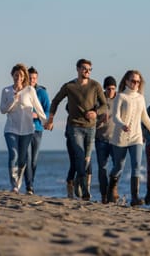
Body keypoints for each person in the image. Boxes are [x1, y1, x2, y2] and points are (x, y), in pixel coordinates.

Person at [45, 59, 107, 201]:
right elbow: (55, 101)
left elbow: (104, 105)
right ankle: (85, 192)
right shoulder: (69, 86)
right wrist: (51, 119)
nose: (87, 71)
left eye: (90, 69)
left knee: (85, 160)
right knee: (79, 156)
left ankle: (79, 182)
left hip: (90, 127)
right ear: (78, 69)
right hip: (74, 127)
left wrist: (95, 113)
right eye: (85, 68)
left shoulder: (95, 85)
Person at [108, 70, 150, 206]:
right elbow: (115, 117)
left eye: (138, 81)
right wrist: (122, 125)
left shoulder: (140, 98)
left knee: (136, 166)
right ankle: (110, 189)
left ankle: (135, 198)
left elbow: (145, 117)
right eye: (133, 81)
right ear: (126, 81)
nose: (136, 83)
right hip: (120, 137)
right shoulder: (121, 96)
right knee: (118, 167)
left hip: (136, 137)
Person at [0, 63, 47, 193]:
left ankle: (19, 181)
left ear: (24, 77)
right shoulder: (6, 91)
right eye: (16, 75)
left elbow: (38, 107)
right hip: (11, 129)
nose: (18, 78)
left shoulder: (30, 90)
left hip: (27, 130)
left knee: (22, 159)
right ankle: (14, 184)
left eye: (20, 75)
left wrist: (45, 121)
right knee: (13, 155)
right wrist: (13, 100)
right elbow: (3, 110)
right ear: (12, 75)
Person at [23, 66, 50, 195]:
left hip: (38, 129)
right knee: (27, 158)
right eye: (30, 78)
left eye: (34, 78)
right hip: (25, 129)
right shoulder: (23, 91)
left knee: (34, 160)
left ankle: (31, 182)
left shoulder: (42, 92)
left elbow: (48, 110)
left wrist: (38, 115)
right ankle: (29, 186)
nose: (32, 80)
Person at [95, 76, 117, 204]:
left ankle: (113, 190)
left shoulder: (120, 99)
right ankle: (104, 195)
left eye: (113, 89)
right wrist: (100, 121)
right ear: (105, 88)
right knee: (102, 168)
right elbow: (92, 123)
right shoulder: (99, 100)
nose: (111, 91)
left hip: (115, 140)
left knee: (117, 167)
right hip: (101, 139)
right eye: (109, 89)